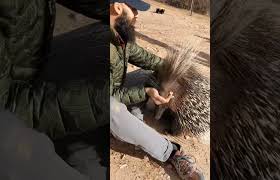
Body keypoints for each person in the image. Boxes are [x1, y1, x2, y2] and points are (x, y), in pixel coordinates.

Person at [0, 0, 108, 179]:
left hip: (27, 73)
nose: (136, 15)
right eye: (133, 9)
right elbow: (7, 115)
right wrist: (98, 100)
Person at [109, 0, 205, 179]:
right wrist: (145, 92)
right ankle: (171, 153)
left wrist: (176, 72)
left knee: (146, 74)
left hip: (114, 87)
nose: (137, 15)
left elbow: (148, 60)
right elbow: (109, 96)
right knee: (112, 108)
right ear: (118, 7)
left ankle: (131, 123)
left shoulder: (120, 36)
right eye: (134, 9)